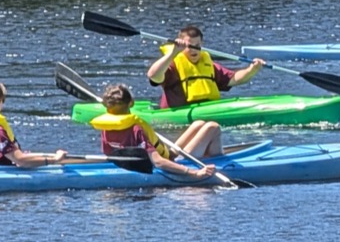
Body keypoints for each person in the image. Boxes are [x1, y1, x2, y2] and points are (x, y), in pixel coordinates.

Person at [146, 25, 262, 158]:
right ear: (182, 45)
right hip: (179, 115)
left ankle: (177, 155)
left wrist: (252, 70)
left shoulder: (208, 64)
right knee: (212, 126)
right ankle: (182, 159)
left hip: (202, 114)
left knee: (202, 124)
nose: (194, 49)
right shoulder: (173, 64)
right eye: (190, 45)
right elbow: (153, 76)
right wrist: (173, 53)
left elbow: (234, 79)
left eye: (197, 45)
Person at [90, 84, 219, 180]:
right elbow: (158, 162)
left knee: (199, 124)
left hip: (165, 155)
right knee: (212, 127)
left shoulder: (106, 126)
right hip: (173, 162)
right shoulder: (136, 129)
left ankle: (212, 156)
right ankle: (220, 163)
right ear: (131, 103)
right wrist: (194, 173)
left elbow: (108, 154)